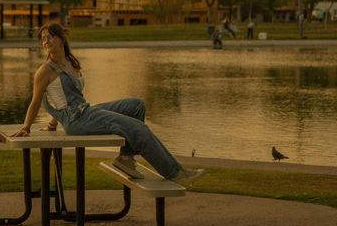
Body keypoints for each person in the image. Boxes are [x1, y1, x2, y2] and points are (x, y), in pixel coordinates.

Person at [12, 22, 204, 184]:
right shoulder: (44, 71)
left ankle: (125, 157)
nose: (45, 41)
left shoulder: (71, 62)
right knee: (138, 128)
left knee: (137, 105)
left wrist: (53, 124)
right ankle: (175, 173)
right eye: (43, 38)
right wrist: (26, 127)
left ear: (63, 37)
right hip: (77, 120)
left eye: (49, 36)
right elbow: (37, 101)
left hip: (86, 111)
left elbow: (60, 95)